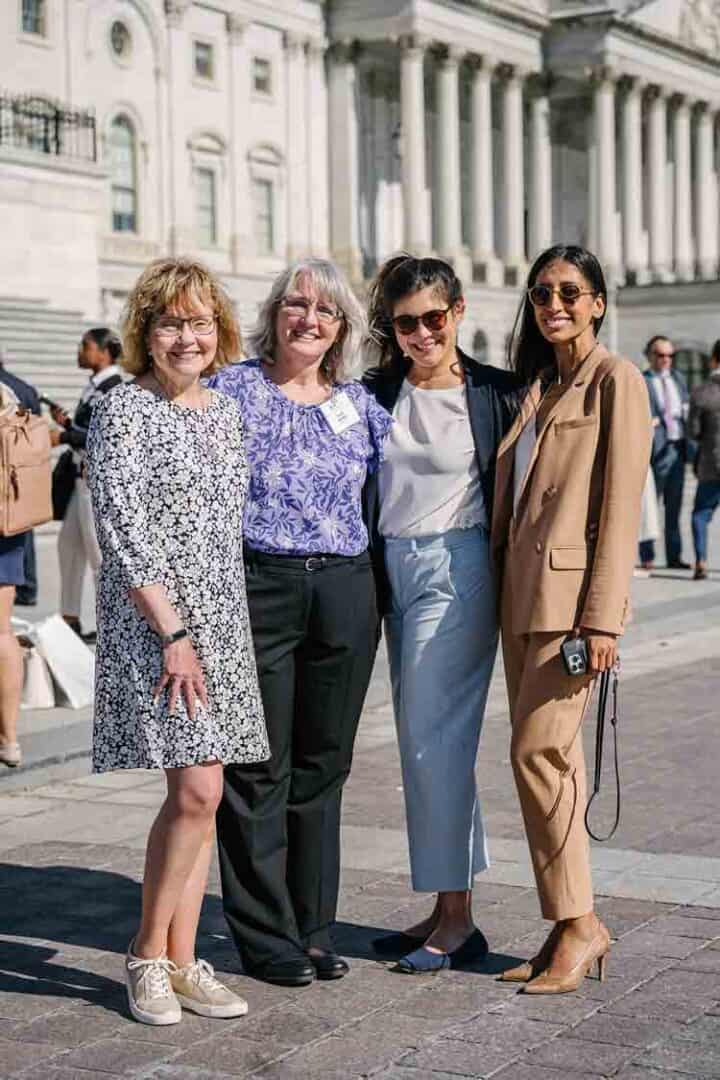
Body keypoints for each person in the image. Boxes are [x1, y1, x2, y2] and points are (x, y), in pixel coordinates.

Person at [86, 257, 269, 1026]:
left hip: (221, 624)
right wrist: (176, 633)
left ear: (218, 330)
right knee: (194, 792)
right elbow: (124, 533)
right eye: (170, 323)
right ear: (146, 333)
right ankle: (146, 957)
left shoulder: (223, 412)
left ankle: (186, 959)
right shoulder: (124, 411)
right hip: (159, 626)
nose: (186, 337)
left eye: (198, 322)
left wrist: (212, 630)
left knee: (205, 796)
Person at [210, 258, 391, 988]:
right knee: (258, 766)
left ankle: (314, 926)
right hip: (262, 584)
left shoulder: (360, 406)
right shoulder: (232, 389)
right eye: (296, 304)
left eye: (325, 310)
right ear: (274, 313)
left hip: (346, 588)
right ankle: (264, 935)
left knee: (324, 764)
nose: (308, 319)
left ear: (342, 328)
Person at [491, 243, 651, 994]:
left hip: (571, 611)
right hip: (519, 604)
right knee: (557, 766)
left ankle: (582, 925)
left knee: (537, 755)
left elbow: (621, 509)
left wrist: (604, 620)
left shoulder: (615, 382)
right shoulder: (539, 390)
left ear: (597, 302)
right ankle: (566, 926)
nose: (553, 304)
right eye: (542, 293)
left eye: (569, 291)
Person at [363, 255, 521, 975]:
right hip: (390, 569)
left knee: (434, 740)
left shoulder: (496, 394)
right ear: (391, 328)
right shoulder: (375, 391)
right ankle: (443, 902)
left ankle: (458, 920)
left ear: (458, 312)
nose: (423, 333)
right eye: (407, 323)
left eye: (435, 317)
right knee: (421, 740)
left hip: (458, 569)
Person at [51, 329, 124, 641]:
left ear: (105, 352)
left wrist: (65, 436)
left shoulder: (115, 388)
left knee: (99, 557)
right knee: (68, 547)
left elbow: (104, 435)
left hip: (96, 482)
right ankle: (70, 619)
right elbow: (87, 427)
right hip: (79, 480)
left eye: (86, 346)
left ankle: (113, 626)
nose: (80, 351)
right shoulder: (95, 385)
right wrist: (67, 424)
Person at [639, 335, 692, 570]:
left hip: (677, 448)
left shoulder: (679, 379)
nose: (666, 360)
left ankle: (674, 556)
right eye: (660, 355)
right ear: (650, 356)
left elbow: (686, 405)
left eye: (670, 355)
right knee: (649, 505)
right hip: (654, 452)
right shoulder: (642, 381)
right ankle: (647, 556)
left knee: (674, 507)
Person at [0, 349, 41, 607]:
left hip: (4, 475)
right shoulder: (23, 388)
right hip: (23, 471)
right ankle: (26, 585)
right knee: (22, 529)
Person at [689, 340, 720, 581]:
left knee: (700, 514)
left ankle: (700, 561)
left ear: (713, 360)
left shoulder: (701, 392)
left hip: (711, 463)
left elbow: (694, 431)